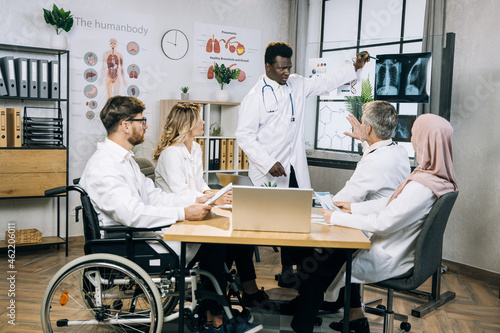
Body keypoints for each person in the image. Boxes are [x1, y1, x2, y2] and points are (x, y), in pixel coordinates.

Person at [80, 96, 262, 333]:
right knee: (213, 245)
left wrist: (192, 202)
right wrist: (182, 212)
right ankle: (215, 321)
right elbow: (132, 214)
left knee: (215, 244)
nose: (146, 125)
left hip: (139, 236)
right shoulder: (104, 166)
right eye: (141, 120)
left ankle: (214, 314)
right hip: (128, 243)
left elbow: (154, 196)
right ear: (125, 125)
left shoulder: (126, 162)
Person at [290, 113, 458, 333]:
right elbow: (392, 203)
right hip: (403, 248)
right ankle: (354, 316)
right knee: (330, 260)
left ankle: (300, 326)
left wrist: (338, 216)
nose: (412, 137)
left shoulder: (422, 186)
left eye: (415, 133)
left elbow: (383, 222)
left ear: (425, 140)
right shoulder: (437, 178)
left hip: (389, 254)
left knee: (316, 270)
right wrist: (354, 208)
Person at [235, 42, 370, 286]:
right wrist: (267, 162)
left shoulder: (297, 83)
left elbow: (325, 81)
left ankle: (290, 270)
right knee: (266, 223)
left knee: (297, 217)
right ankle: (248, 280)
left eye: (288, 67)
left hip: (294, 164)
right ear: (268, 66)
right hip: (269, 171)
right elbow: (244, 136)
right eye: (281, 68)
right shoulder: (254, 97)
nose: (286, 73)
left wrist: (354, 66)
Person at [280, 100, 411, 313]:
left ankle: (306, 307)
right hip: (391, 231)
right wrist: (365, 141)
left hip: (370, 233)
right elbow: (376, 171)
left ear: (368, 128)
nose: (360, 125)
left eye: (362, 123)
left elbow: (343, 199)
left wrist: (320, 201)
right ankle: (351, 311)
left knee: (308, 252)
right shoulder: (399, 152)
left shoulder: (373, 162)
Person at [153, 103, 269, 307]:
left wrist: (213, 193)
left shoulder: (195, 148)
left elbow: (200, 183)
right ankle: (218, 296)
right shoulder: (171, 154)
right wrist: (213, 199)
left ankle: (232, 290)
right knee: (226, 243)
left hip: (197, 210)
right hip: (180, 218)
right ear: (187, 124)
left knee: (240, 239)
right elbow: (181, 193)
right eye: (199, 119)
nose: (204, 122)